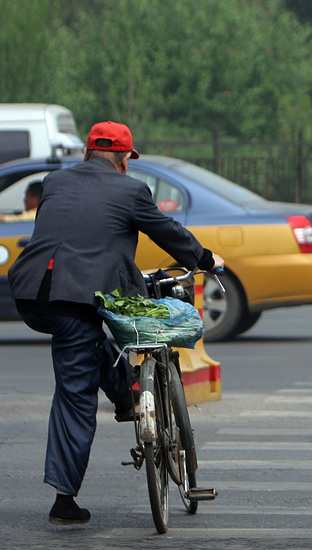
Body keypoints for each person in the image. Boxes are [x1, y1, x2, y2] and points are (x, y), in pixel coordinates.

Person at [8, 121, 224, 526]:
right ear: (125, 159)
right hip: (72, 297)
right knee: (75, 393)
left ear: (88, 152)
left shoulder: (56, 181)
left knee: (88, 343)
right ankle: (64, 499)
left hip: (31, 291)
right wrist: (207, 260)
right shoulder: (130, 190)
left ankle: (127, 394)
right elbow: (167, 232)